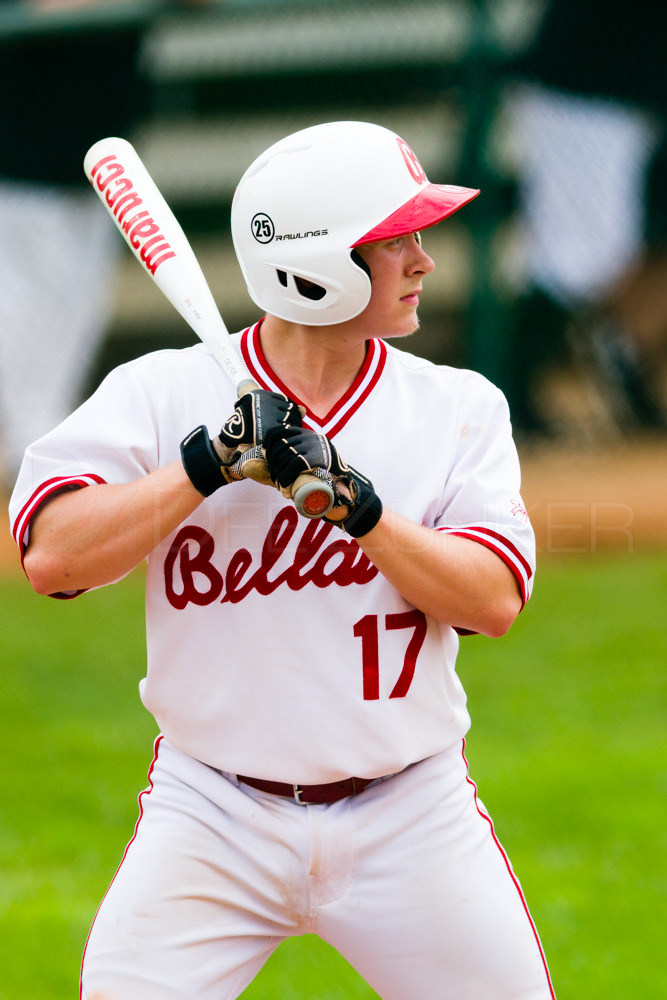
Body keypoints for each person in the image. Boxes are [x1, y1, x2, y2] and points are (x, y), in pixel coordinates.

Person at [9, 121, 556, 1000]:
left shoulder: (456, 406)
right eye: (394, 240)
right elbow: (51, 556)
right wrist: (203, 465)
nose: (422, 258)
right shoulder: (163, 393)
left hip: (410, 815)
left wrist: (359, 508)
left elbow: (491, 599)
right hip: (210, 816)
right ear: (317, 263)